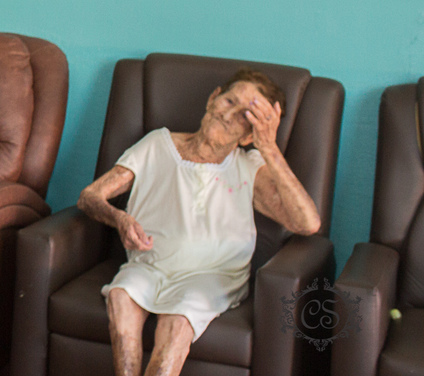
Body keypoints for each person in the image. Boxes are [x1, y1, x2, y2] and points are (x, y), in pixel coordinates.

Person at [77, 69, 321, 376]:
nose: (228, 115)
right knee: (121, 295)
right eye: (228, 101)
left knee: (179, 319)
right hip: (148, 264)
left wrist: (269, 148)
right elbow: (89, 196)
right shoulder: (157, 144)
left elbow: (308, 223)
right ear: (212, 98)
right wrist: (119, 218)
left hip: (212, 275)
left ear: (249, 136)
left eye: (244, 116)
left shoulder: (249, 166)